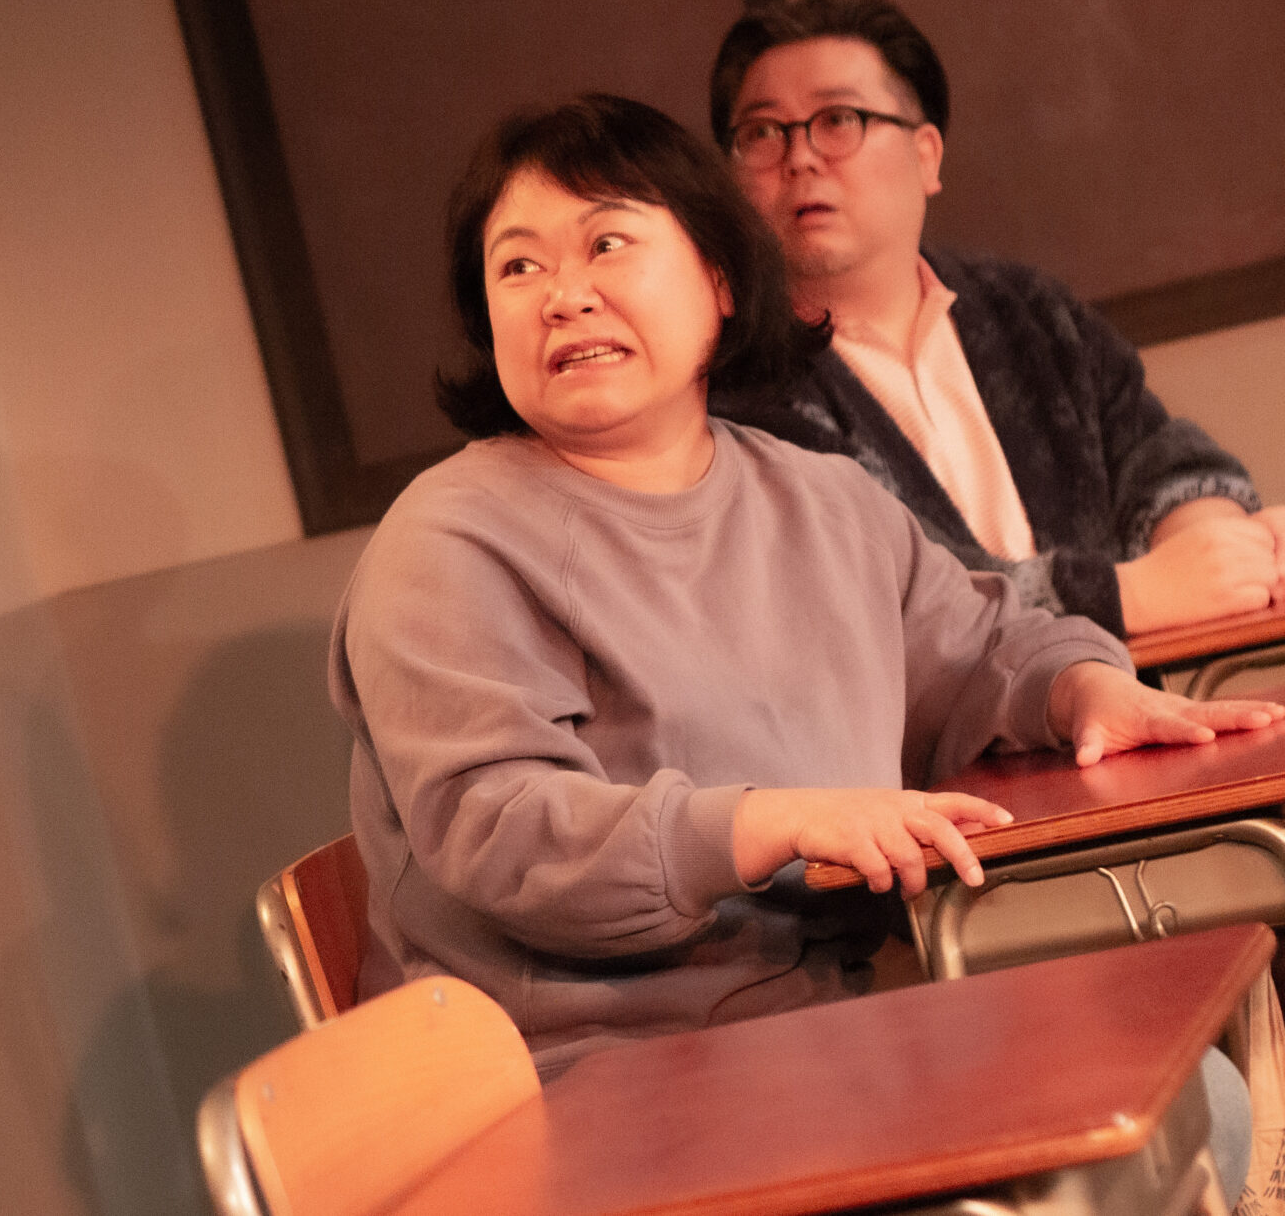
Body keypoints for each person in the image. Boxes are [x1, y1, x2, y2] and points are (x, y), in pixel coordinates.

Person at [329, 93, 1280, 1088]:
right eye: (517, 266)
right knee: (1159, 1104)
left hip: (842, 1013)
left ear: (720, 278)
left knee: (1190, 1084)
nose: (561, 295)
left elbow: (982, 645)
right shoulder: (449, 543)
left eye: (605, 243)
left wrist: (1086, 689)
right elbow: (500, 829)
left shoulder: (817, 495)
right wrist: (765, 824)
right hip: (588, 1071)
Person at [706, 0, 1284, 637]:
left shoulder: (1026, 308)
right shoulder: (733, 377)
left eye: (838, 119)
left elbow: (1153, 450)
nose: (800, 157)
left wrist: (1217, 542)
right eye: (762, 133)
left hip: (1137, 687)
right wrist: (1126, 595)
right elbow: (893, 593)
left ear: (926, 155)